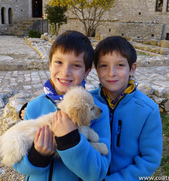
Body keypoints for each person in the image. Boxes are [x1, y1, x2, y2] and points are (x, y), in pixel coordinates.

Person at [13, 30, 111, 181]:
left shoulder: (98, 111)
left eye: (76, 65)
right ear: (50, 64)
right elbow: (20, 166)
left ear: (87, 72)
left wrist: (70, 140)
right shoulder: (33, 107)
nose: (65, 72)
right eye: (59, 62)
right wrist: (38, 155)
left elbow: (97, 172)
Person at [91, 36, 163, 180]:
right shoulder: (88, 103)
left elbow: (149, 159)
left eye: (120, 65)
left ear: (132, 68)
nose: (111, 73)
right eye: (104, 65)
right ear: (96, 70)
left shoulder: (148, 111)